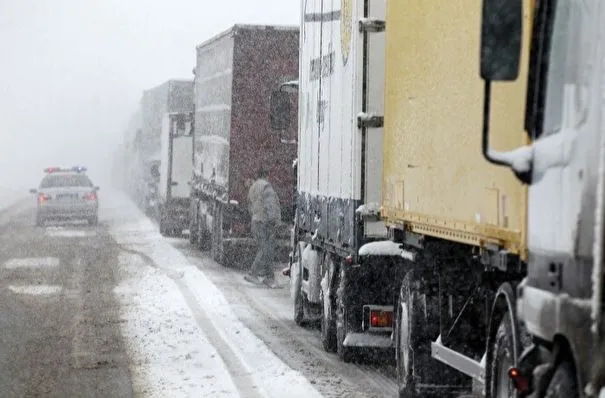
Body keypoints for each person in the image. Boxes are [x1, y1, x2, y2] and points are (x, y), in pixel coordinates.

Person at [245, 167, 281, 287]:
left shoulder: (253, 187)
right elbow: (270, 205)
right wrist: (273, 220)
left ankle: (269, 277)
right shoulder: (266, 187)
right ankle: (252, 273)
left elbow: (250, 206)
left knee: (267, 249)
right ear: (266, 176)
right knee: (265, 249)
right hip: (264, 223)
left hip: (256, 221)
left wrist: (255, 216)